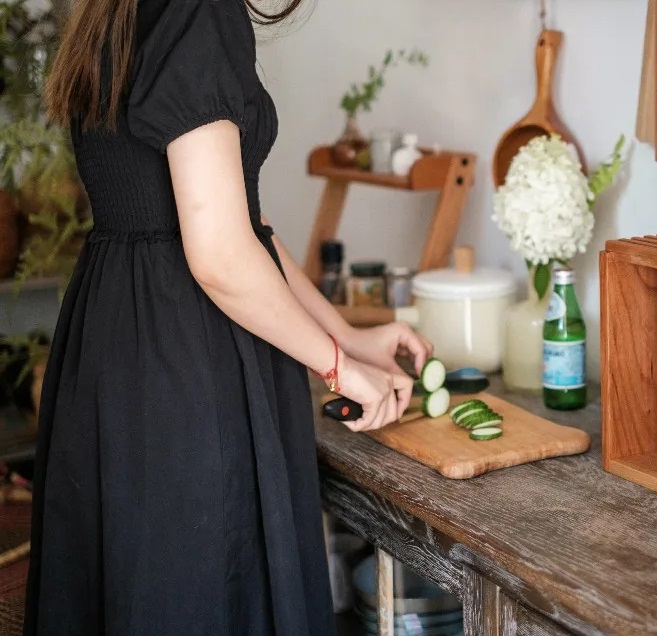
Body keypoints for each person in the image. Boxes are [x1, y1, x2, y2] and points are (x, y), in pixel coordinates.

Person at [23, 0, 433, 633]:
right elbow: (219, 252)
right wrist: (335, 368)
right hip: (185, 363)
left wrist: (348, 337)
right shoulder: (199, 11)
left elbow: (245, 230)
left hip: (117, 343)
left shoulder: (113, 10)